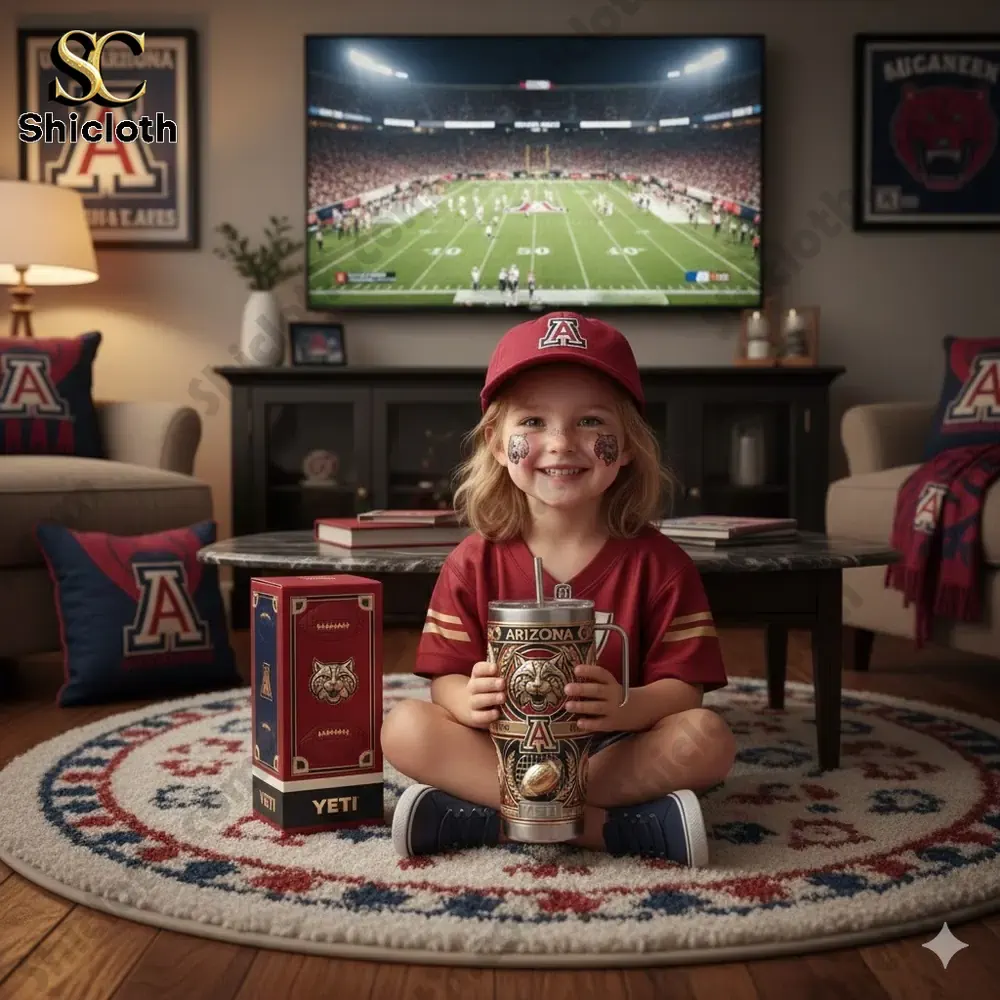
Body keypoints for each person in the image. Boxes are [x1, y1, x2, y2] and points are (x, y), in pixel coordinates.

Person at [382, 312, 735, 866]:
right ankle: (615, 829)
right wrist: (464, 699)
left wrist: (627, 703)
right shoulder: (472, 560)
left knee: (708, 739)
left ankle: (486, 820)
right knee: (403, 728)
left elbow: (685, 689)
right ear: (498, 445)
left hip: (615, 751)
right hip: (506, 751)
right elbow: (445, 677)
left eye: (592, 421)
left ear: (626, 448)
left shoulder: (661, 563)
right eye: (533, 422)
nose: (561, 443)